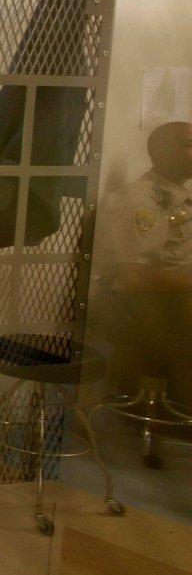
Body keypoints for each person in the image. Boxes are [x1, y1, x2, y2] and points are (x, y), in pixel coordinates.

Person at [94, 121, 192, 406]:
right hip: (148, 309)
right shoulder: (141, 201)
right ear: (160, 151)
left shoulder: (175, 197)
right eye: (189, 145)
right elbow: (135, 277)